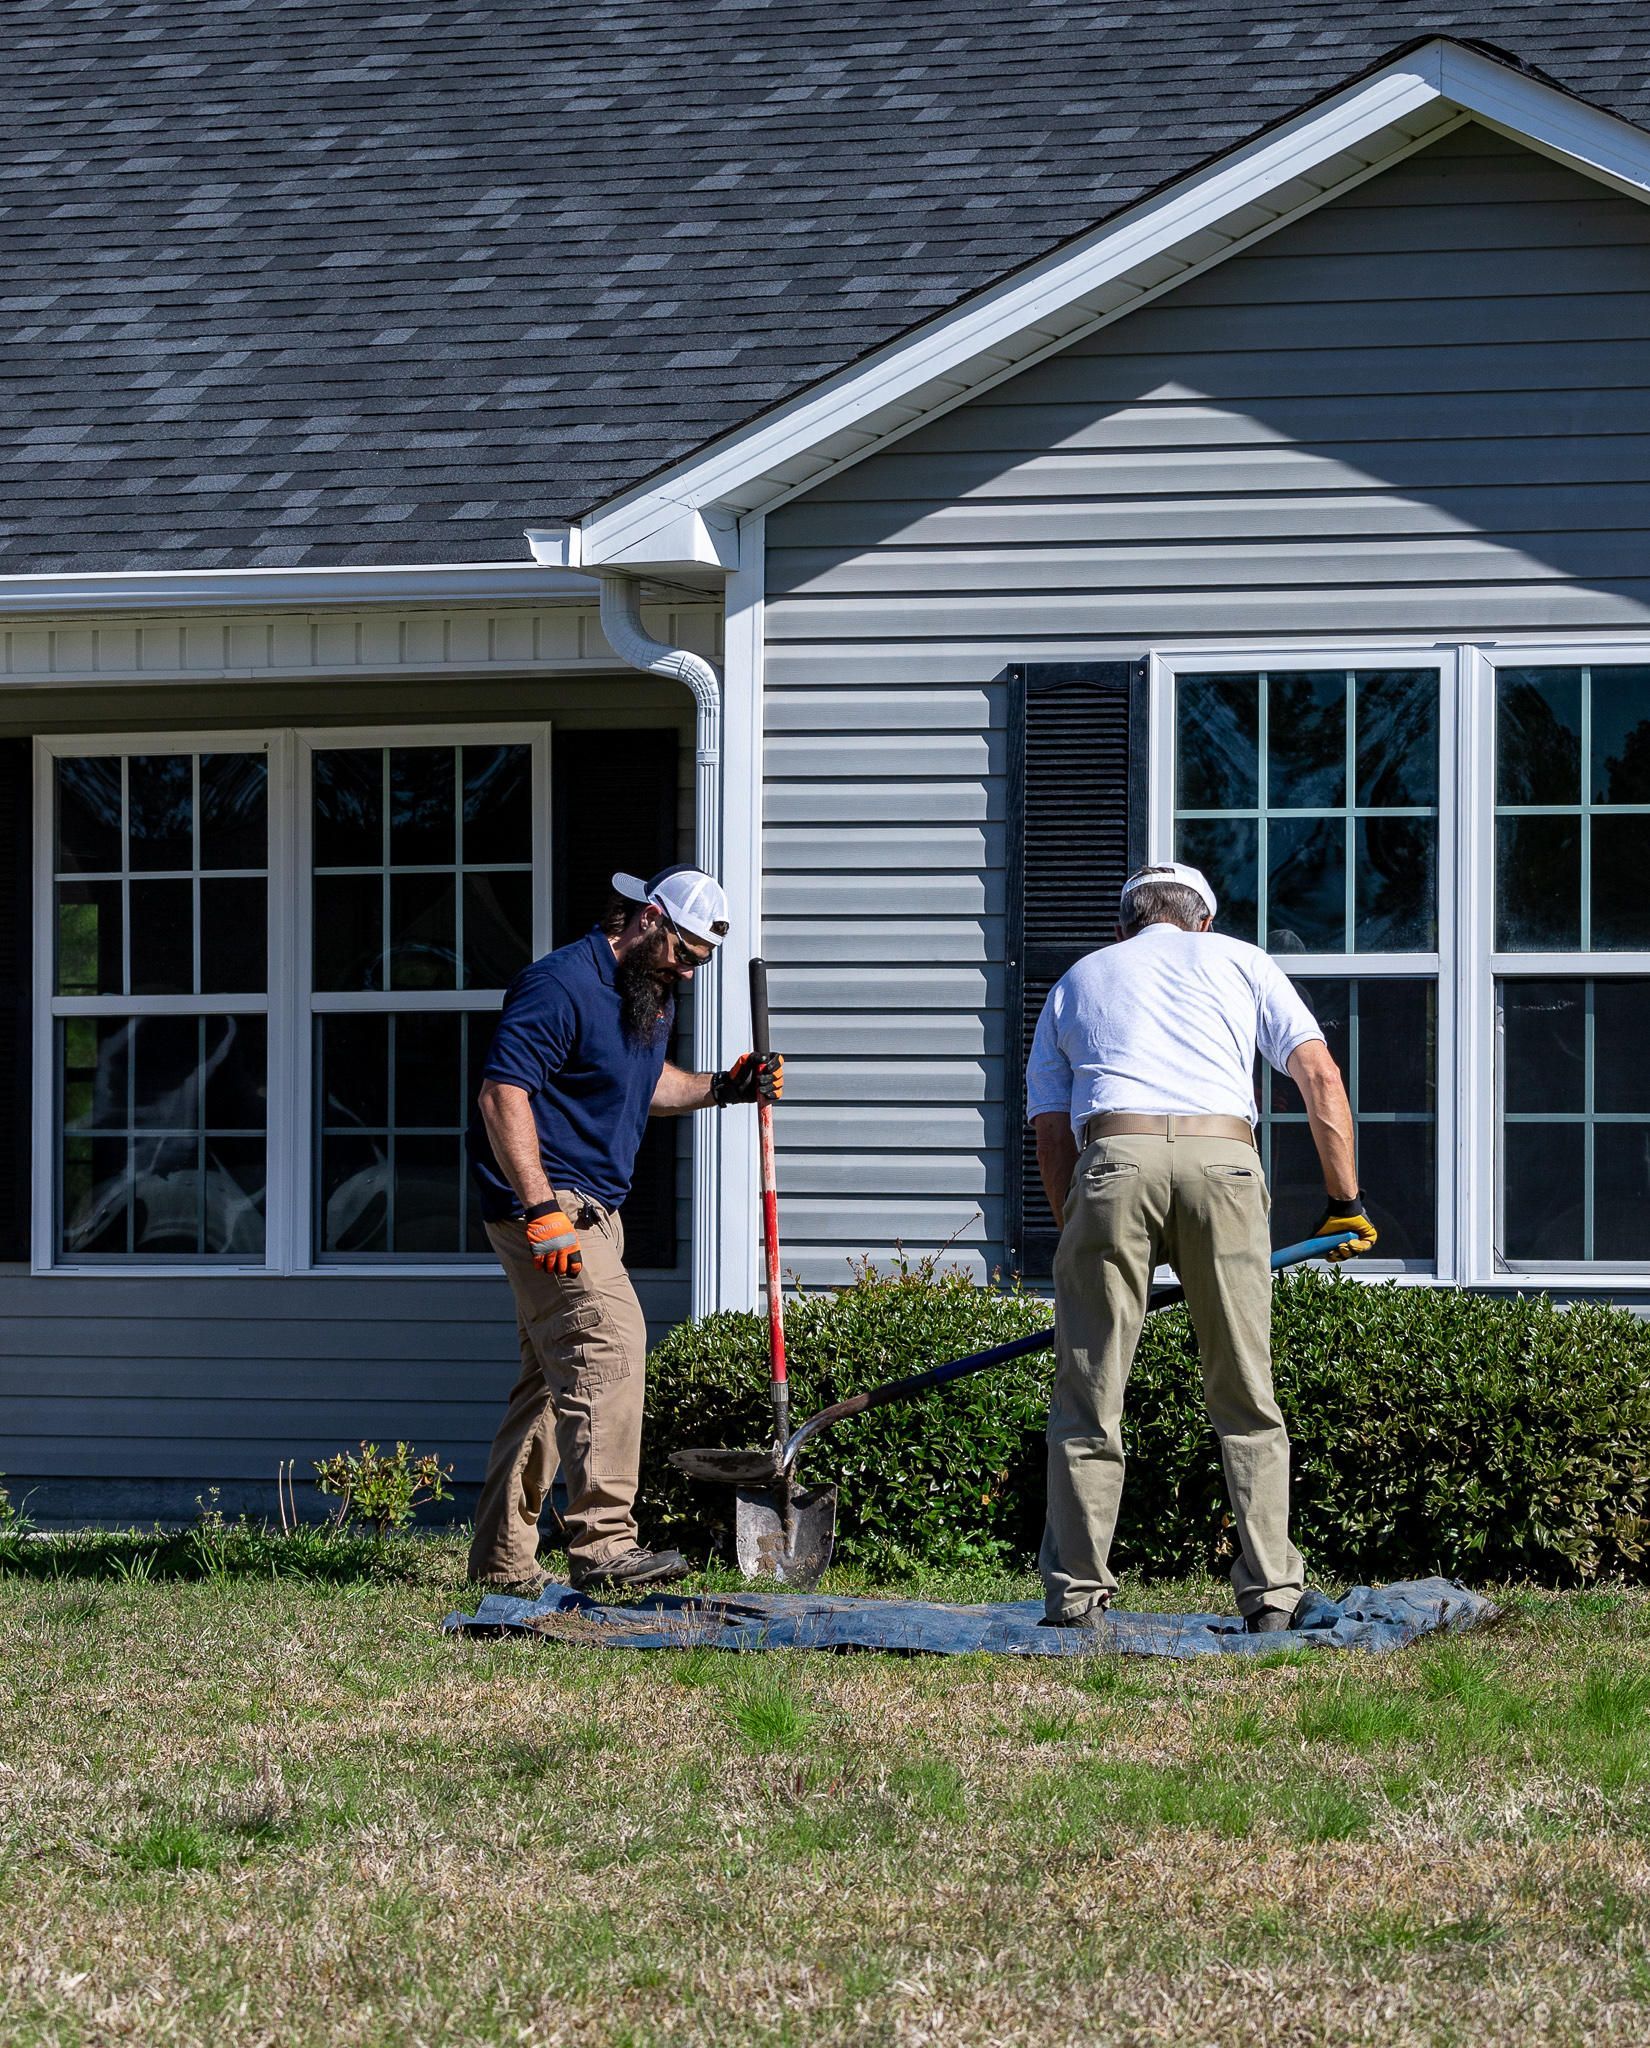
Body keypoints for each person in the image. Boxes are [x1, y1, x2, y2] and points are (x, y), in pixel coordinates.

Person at [1025, 861, 1377, 1633]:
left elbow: (1053, 1131)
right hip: (1224, 1160)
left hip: (1113, 1162)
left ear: (1125, 927)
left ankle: (1079, 1597)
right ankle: (1273, 1595)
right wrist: (1343, 1201)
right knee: (1246, 1392)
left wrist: (1078, 1236)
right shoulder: (1243, 960)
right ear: (1202, 923)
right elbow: (1318, 1074)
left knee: (1090, 1397)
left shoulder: (1080, 979)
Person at [466, 864, 782, 1595]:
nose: (687, 972)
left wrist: (725, 1088)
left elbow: (646, 1082)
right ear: (649, 920)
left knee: (551, 1381)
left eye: (701, 962)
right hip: (546, 1209)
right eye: (684, 953)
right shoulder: (559, 984)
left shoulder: (648, 995)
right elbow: (501, 1094)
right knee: (609, 1340)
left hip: (596, 1209)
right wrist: (541, 1210)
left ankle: (501, 1557)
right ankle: (604, 1544)